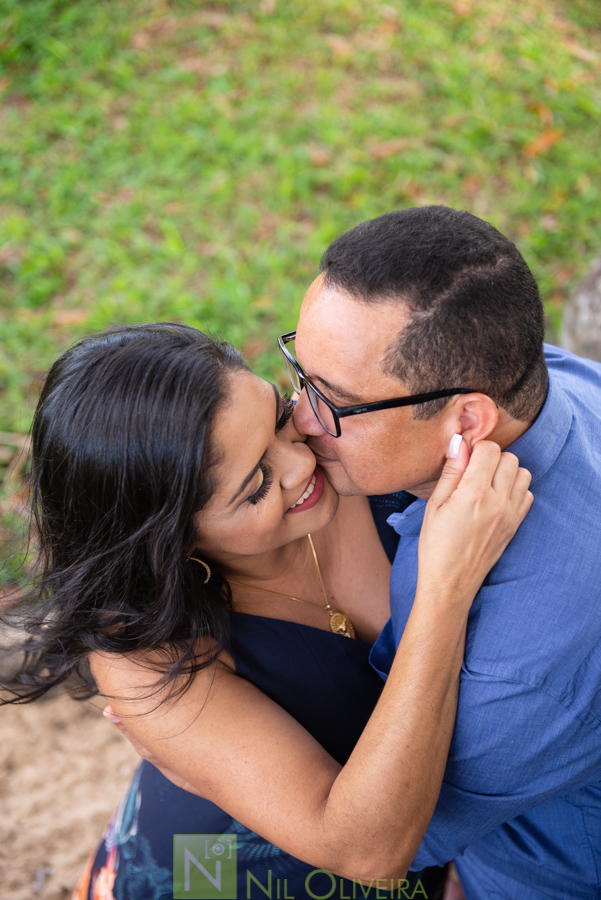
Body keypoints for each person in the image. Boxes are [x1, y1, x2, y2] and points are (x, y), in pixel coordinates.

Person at [0, 323, 531, 900]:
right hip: (221, 874)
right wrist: (444, 591)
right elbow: (367, 851)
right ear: (174, 541)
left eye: (280, 418)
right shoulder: (145, 657)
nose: (303, 464)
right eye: (256, 485)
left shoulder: (356, 442)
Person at [284, 206, 601, 899]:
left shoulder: (522, 661)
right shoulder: (541, 381)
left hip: (512, 876)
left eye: (332, 401)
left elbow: (385, 844)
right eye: (297, 370)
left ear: (466, 419)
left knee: (186, 871)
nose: (298, 421)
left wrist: (186, 746)